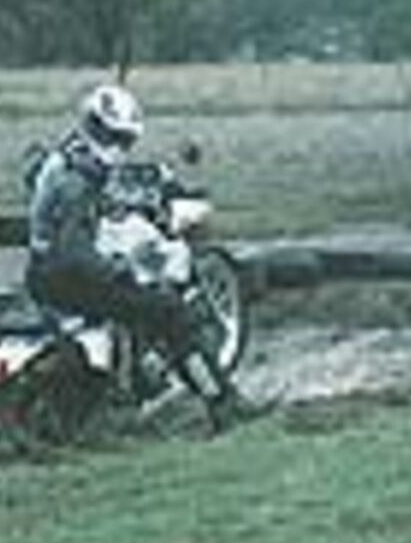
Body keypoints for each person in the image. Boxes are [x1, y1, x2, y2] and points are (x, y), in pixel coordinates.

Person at [25, 83, 251, 432]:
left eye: (123, 139)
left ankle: (124, 378)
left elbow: (66, 205)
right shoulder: (78, 180)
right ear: (94, 126)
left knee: (127, 302)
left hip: (40, 272)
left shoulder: (64, 157)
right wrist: (112, 271)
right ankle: (222, 401)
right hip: (72, 274)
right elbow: (74, 249)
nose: (116, 146)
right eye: (111, 136)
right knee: (170, 311)